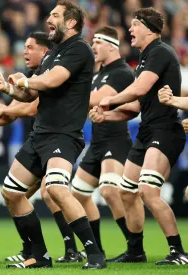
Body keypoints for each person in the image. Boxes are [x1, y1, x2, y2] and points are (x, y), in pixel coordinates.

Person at [0, 0, 106, 269]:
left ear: (72, 22)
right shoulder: (53, 52)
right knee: (10, 193)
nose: (48, 20)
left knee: (55, 188)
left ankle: (95, 255)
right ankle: (40, 256)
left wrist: (26, 80)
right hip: (40, 135)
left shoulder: (79, 49)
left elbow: (53, 80)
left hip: (64, 135)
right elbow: (30, 93)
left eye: (55, 16)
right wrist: (8, 88)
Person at [90, 7, 188, 265]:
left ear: (149, 28)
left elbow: (140, 88)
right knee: (126, 191)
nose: (130, 30)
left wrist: (109, 101)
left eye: (135, 25)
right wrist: (106, 116)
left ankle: (178, 251)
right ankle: (135, 251)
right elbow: (136, 106)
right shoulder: (145, 57)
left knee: (148, 191)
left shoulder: (159, 51)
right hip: (147, 130)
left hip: (165, 130)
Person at [0, 32, 85, 264]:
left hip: (56, 141)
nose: (24, 52)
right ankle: (33, 252)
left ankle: (69, 250)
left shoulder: (47, 76)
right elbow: (12, 109)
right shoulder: (30, 76)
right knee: (15, 196)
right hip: (38, 144)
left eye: (29, 47)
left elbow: (29, 109)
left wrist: (5, 108)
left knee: (47, 192)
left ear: (44, 51)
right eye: (23, 47)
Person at [70, 26, 135, 262]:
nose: (93, 47)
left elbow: (98, 99)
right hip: (96, 143)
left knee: (109, 191)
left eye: (97, 42)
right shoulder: (98, 74)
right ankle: (97, 249)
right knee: (78, 194)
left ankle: (134, 248)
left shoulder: (122, 72)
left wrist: (66, 101)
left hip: (115, 140)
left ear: (111, 45)